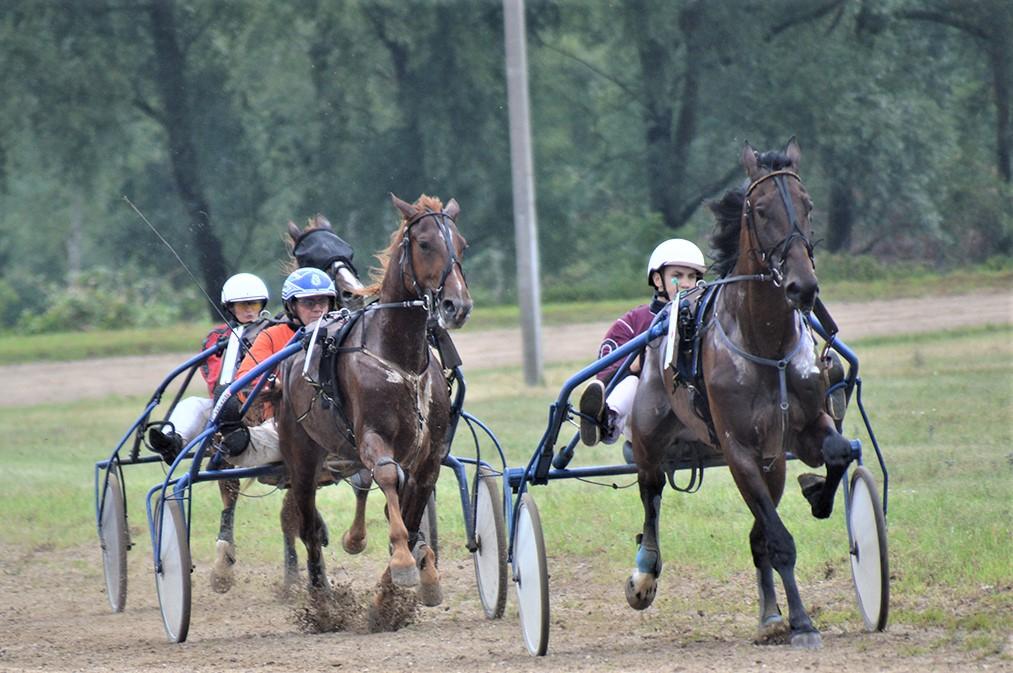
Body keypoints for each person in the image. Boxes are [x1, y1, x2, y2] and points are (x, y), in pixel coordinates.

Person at [578, 239, 707, 456]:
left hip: (697, 418)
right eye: (678, 275)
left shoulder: (707, 321)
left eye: (692, 276)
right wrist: (639, 363)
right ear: (658, 279)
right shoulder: (631, 322)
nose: (686, 283)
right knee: (631, 380)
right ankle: (607, 421)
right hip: (647, 419)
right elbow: (606, 371)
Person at [215, 267, 336, 467]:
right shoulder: (272, 335)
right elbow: (247, 378)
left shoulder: (343, 334)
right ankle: (237, 440)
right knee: (266, 440)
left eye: (322, 301)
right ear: (292, 306)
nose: (318, 309)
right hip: (285, 420)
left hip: (337, 420)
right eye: (308, 302)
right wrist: (274, 386)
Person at [147, 273, 270, 463]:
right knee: (192, 405)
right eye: (241, 305)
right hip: (227, 406)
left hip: (268, 405)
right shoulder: (218, 338)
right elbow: (215, 382)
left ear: (262, 305)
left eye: (253, 304)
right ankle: (172, 441)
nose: (248, 311)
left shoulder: (274, 331)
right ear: (229, 308)